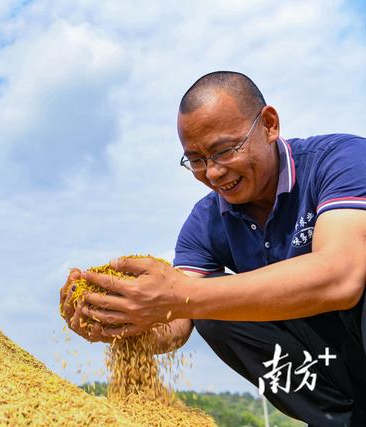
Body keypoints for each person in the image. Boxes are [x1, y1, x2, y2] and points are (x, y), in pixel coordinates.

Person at [59, 71, 366, 426]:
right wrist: (120, 317)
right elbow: (177, 322)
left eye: (224, 151)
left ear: (269, 125)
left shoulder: (340, 160)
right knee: (205, 306)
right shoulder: (204, 223)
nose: (213, 172)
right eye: (196, 160)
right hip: (328, 368)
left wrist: (182, 293)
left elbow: (342, 275)